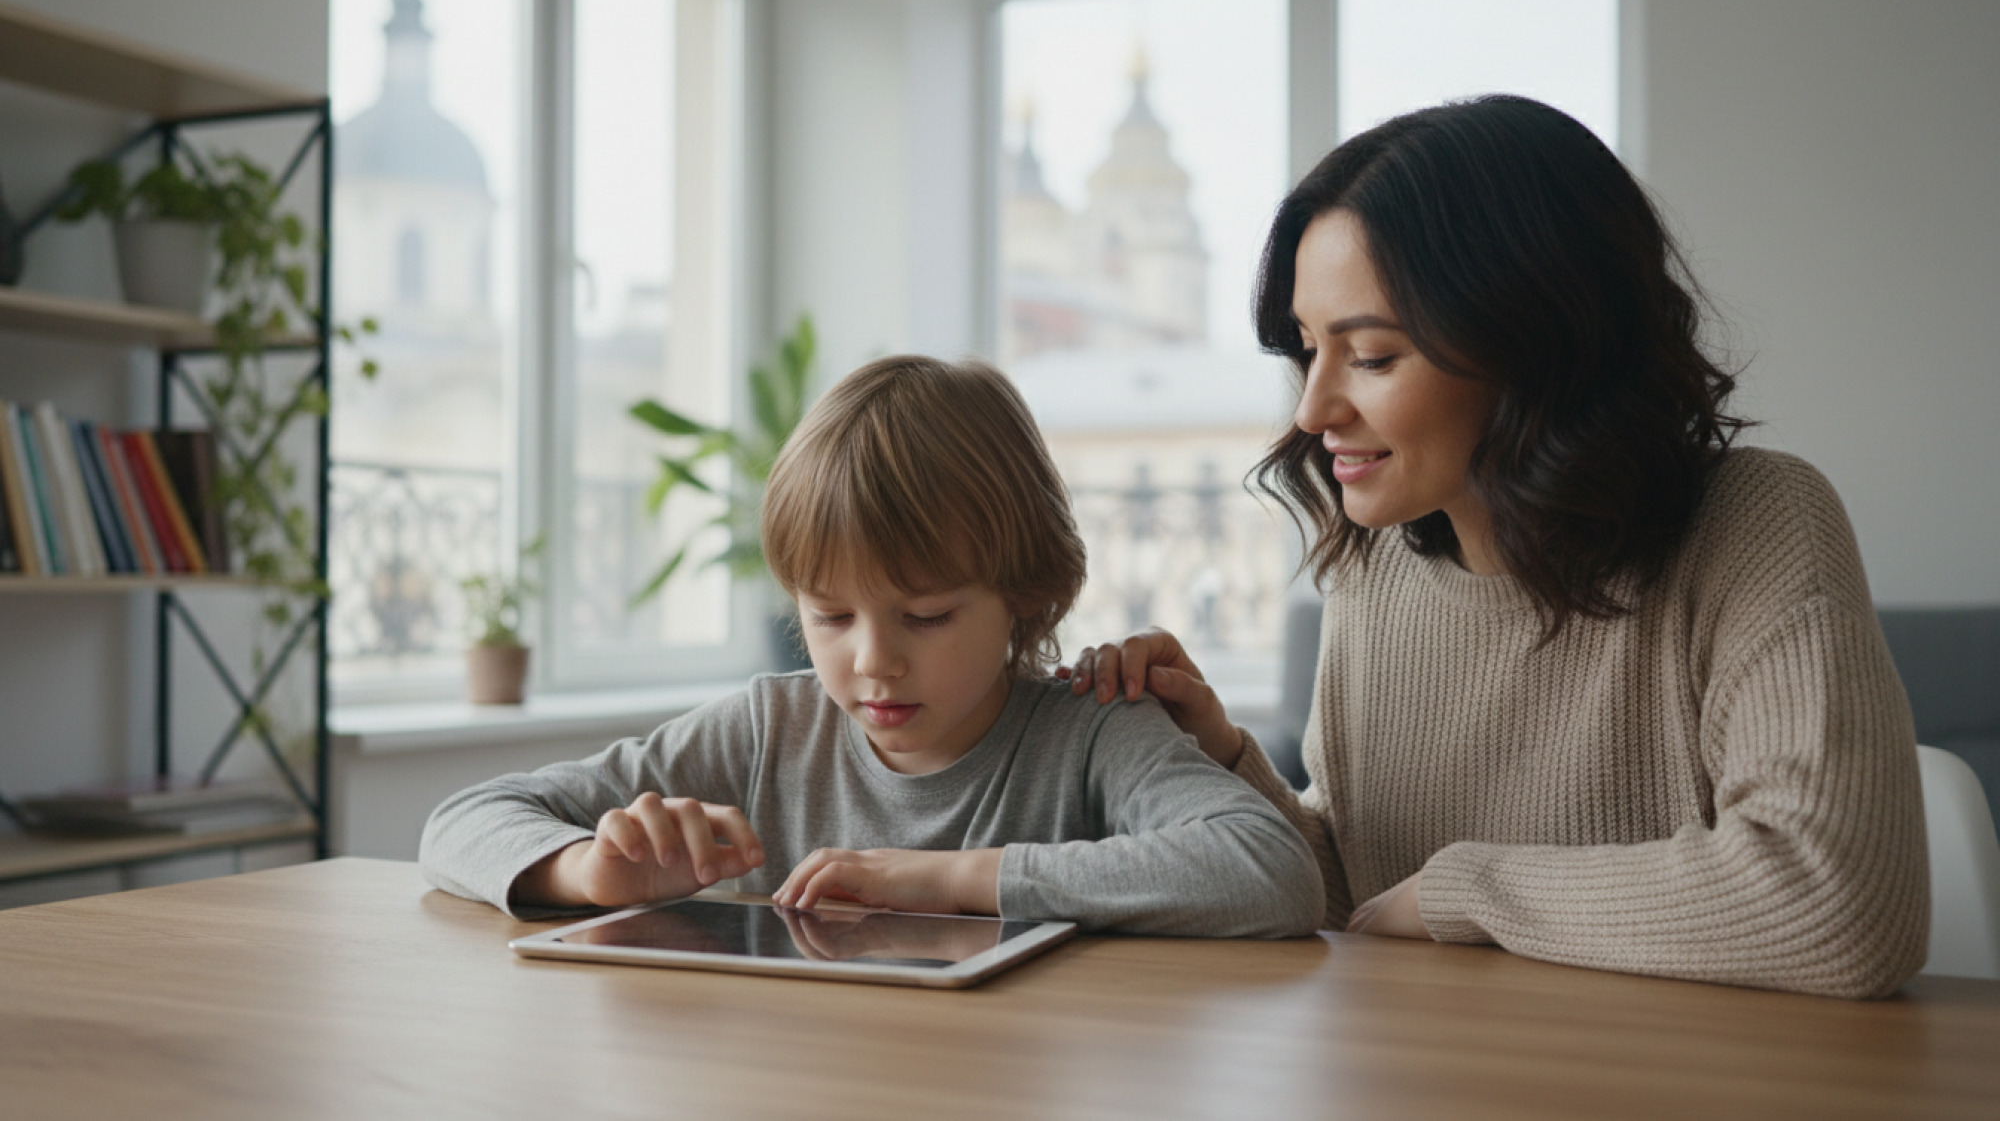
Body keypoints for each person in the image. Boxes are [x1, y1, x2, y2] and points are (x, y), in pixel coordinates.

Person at [1063, 95, 1928, 998]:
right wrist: (1224, 756)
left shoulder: (1758, 522)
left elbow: (1838, 903)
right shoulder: (1376, 572)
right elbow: (1364, 891)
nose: (1314, 411)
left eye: (1373, 357)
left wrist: (1466, 888)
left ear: (1532, 340)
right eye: (1309, 349)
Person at [419, 355, 1323, 938]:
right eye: (830, 616)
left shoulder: (1089, 732)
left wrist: (946, 881)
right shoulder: (773, 728)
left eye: (925, 616)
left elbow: (1272, 870)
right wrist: (587, 870)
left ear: (1025, 595)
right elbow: (460, 820)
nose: (873, 661)